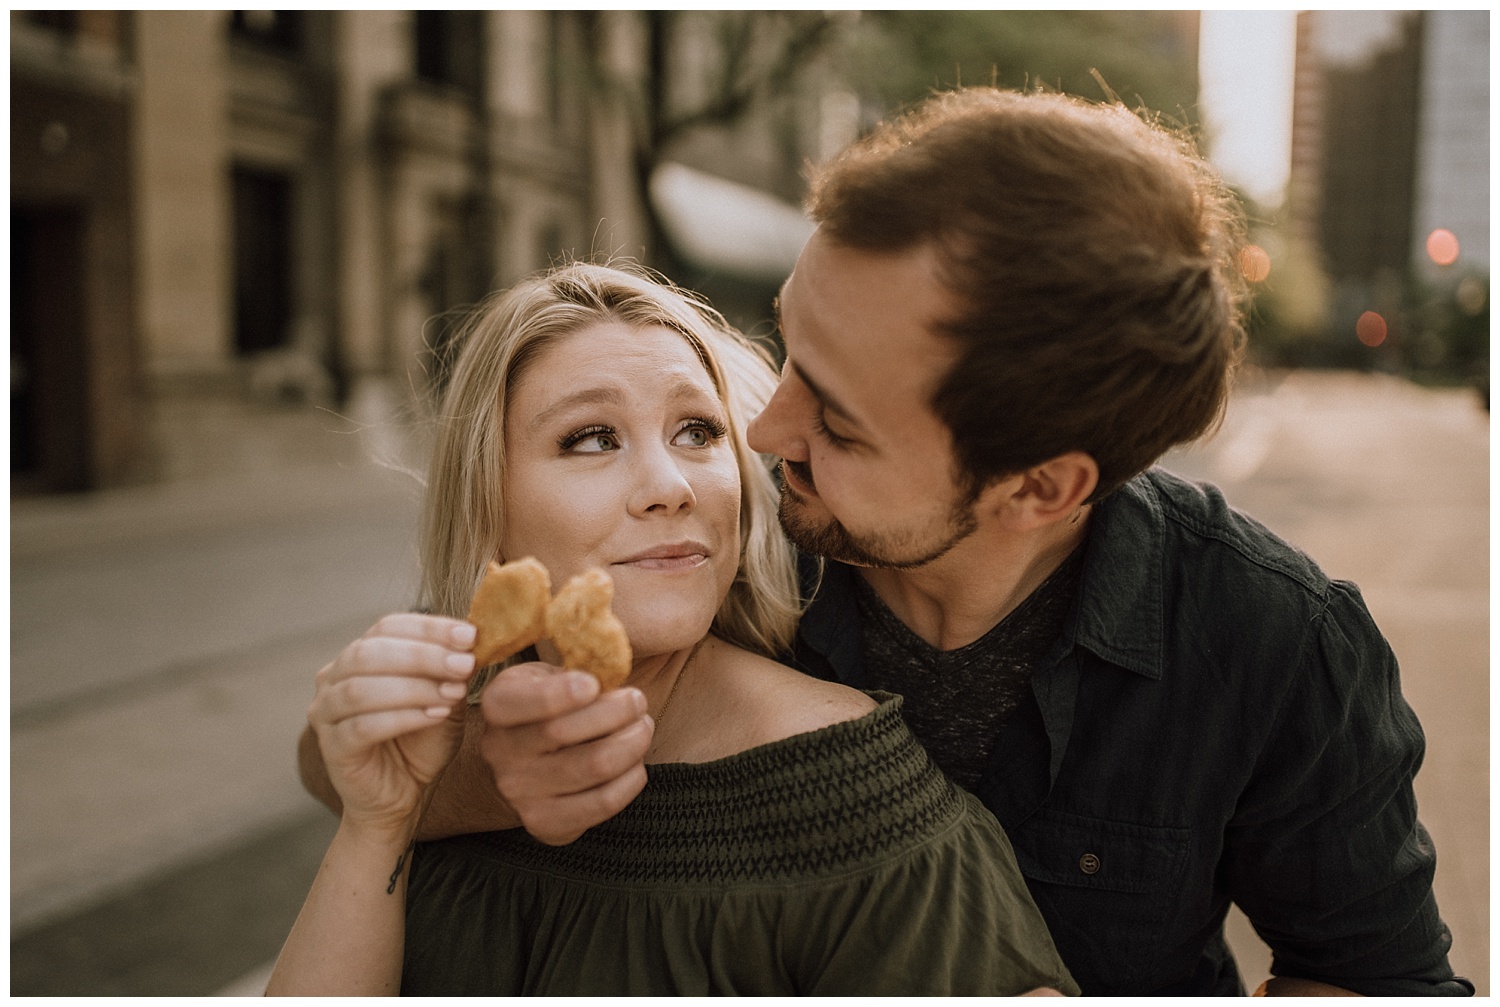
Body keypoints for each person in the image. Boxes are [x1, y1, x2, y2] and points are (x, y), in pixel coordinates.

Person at [301, 89, 1473, 996]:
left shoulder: (1269, 641)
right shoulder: (721, 539)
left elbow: (1380, 975)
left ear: (1037, 486)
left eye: (839, 418)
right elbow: (350, 765)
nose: (766, 430)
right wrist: (479, 779)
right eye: (789, 353)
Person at [270, 262, 1078, 996]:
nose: (669, 485)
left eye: (698, 431)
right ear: (489, 507)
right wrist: (381, 822)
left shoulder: (860, 799)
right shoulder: (446, 736)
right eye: (592, 438)